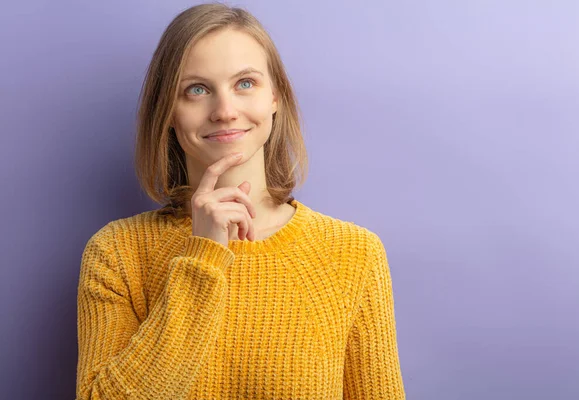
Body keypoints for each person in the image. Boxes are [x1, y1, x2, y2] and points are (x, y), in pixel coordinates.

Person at [75, 2, 406, 399]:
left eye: (245, 83)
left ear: (276, 97)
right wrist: (202, 259)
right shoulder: (116, 253)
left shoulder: (354, 254)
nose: (225, 111)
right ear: (169, 112)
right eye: (196, 90)